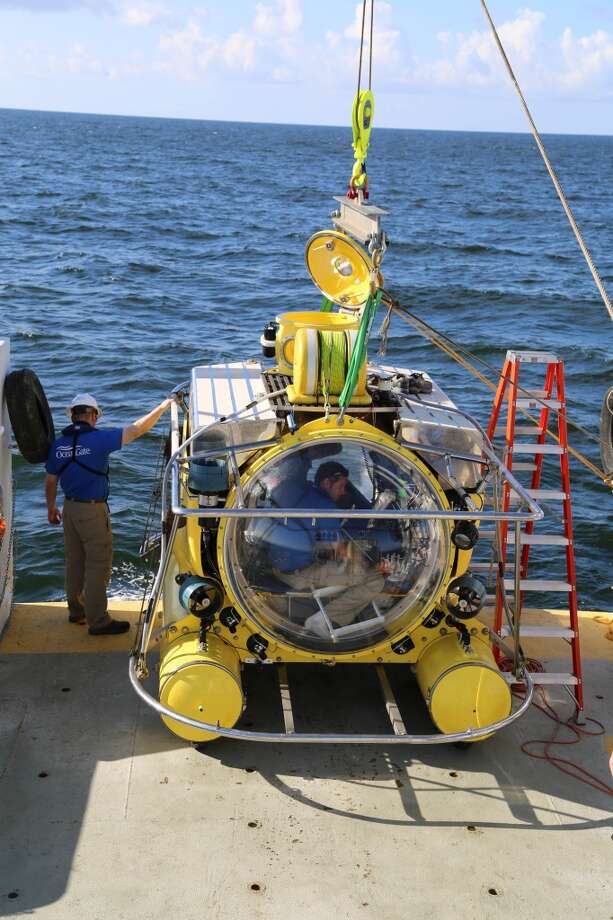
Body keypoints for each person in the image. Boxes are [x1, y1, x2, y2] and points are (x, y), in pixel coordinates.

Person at [45, 392, 173, 635]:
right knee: (97, 565)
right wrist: (164, 406)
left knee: (75, 562)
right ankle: (99, 621)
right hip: (92, 510)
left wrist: (51, 507)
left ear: (73, 416)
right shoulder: (99, 439)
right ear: (93, 416)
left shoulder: (58, 445)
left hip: (69, 510)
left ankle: (76, 612)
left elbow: (51, 479)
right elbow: (137, 429)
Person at [268, 460, 386, 637]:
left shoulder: (304, 493)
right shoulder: (326, 508)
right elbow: (339, 550)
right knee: (374, 579)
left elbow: (319, 540)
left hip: (279, 566)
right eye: (341, 486)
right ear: (326, 483)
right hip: (298, 575)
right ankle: (322, 619)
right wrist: (371, 563)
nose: (344, 492)